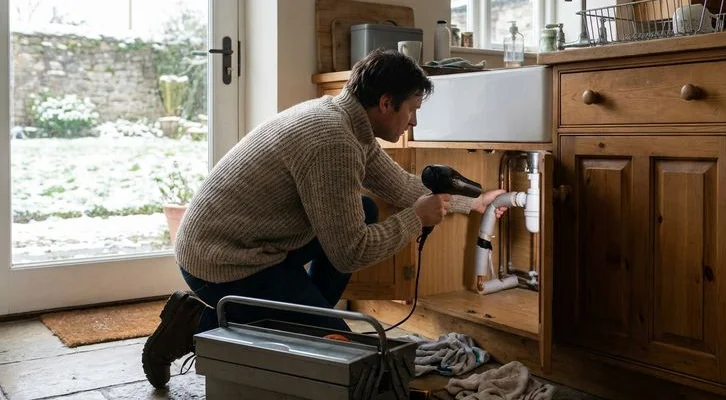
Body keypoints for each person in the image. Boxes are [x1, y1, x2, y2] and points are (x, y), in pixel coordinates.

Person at [141, 48, 507, 388]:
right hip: (222, 259)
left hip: (251, 242)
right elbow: (350, 253)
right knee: (343, 352)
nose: (414, 121)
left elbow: (398, 185)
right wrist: (415, 220)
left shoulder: (346, 120)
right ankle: (193, 326)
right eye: (412, 108)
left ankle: (301, 316)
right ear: (385, 103)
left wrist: (471, 203)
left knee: (363, 210)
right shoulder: (333, 142)